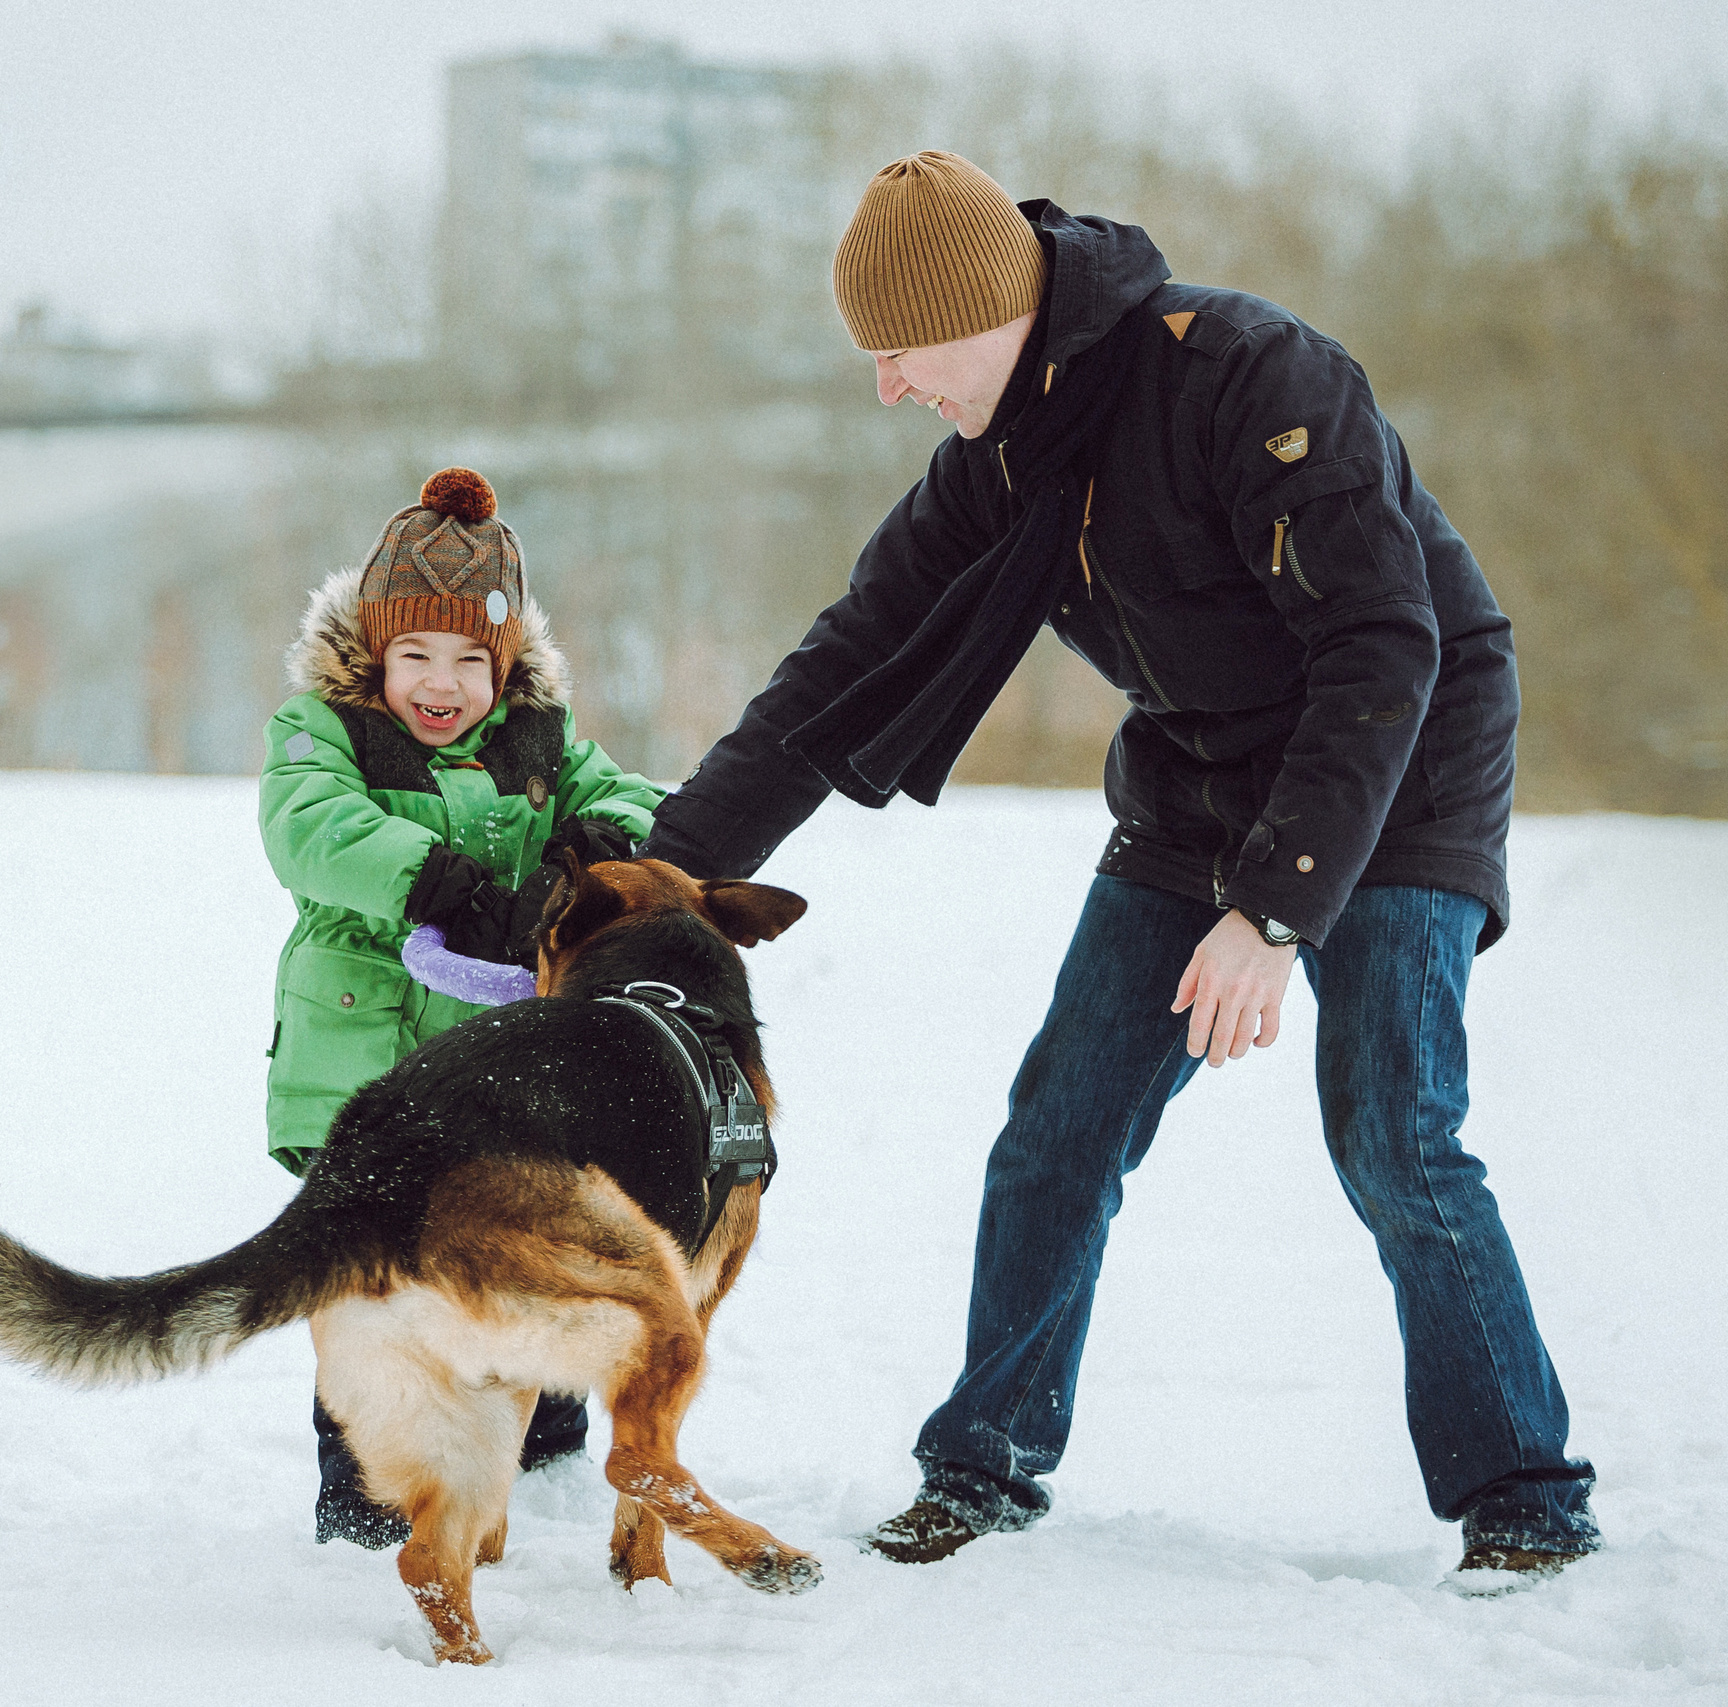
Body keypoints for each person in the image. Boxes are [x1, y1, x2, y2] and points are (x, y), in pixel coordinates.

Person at [639, 153, 1600, 1584]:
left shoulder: (1251, 376)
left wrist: (1275, 908)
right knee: (1059, 1128)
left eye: (899, 352)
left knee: (1394, 1128)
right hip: (1201, 779)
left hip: (1395, 768)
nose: (887, 386)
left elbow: (1383, 648)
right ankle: (984, 1463)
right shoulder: (1000, 464)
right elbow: (836, 677)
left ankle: (1523, 1490)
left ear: (987, 312)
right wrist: (659, 878)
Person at [259, 465, 666, 1546]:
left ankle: (542, 1451)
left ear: (504, 666)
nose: (440, 685)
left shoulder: (539, 739)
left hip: (505, 1084)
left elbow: (629, 794)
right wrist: (434, 877)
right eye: (414, 658)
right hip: (367, 1061)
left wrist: (601, 844)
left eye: (466, 663)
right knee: (374, 1288)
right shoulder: (323, 735)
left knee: (534, 1249)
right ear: (373, 656)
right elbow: (308, 825)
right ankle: (365, 1501)